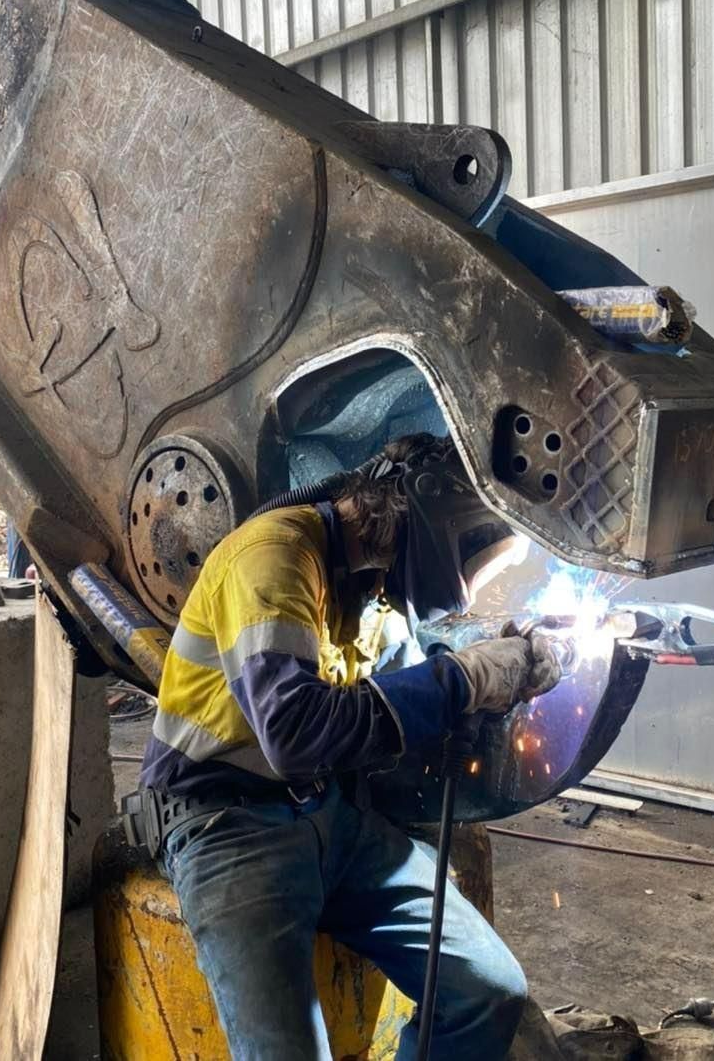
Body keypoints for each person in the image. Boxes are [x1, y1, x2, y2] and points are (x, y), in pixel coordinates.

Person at [136, 434, 561, 1060]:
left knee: (489, 990)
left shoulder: (375, 587)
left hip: (335, 819)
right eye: (473, 552)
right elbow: (296, 733)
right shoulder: (274, 554)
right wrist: (463, 678)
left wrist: (493, 678)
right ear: (431, 516)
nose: (470, 577)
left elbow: (404, 698)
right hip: (226, 827)